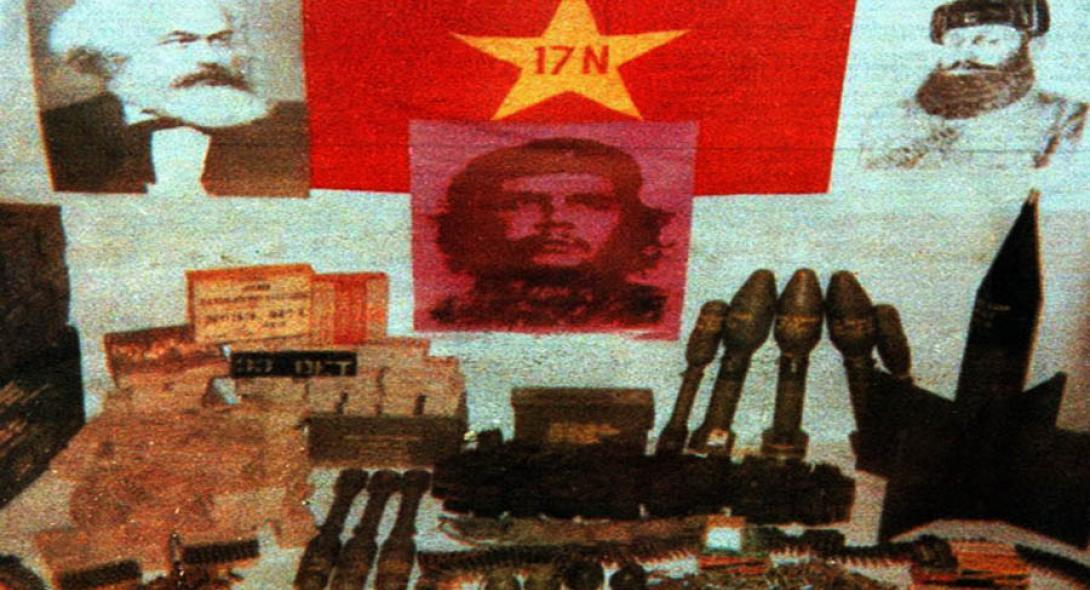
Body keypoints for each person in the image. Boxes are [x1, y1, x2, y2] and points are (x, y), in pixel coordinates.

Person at [40, 0, 309, 197]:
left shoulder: (294, 128)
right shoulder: (55, 134)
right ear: (116, 58)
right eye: (181, 42)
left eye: (220, 40)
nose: (211, 58)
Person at [429, 137, 673, 329]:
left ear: (629, 220)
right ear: (478, 218)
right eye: (524, 203)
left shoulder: (658, 312)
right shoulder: (446, 317)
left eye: (587, 203)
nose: (556, 220)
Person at [860, 0, 1086, 170]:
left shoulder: (1066, 119)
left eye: (989, 41)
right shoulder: (892, 119)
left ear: (1034, 46)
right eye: (955, 42)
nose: (965, 55)